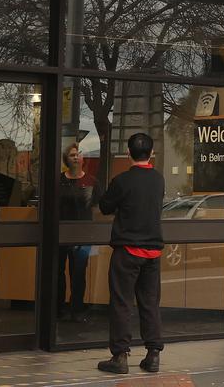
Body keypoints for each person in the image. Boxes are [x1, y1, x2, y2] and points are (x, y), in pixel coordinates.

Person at [96, 133, 164, 375]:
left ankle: (120, 356)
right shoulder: (158, 180)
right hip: (153, 253)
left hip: (127, 251)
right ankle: (153, 354)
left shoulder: (122, 181)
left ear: (128, 153)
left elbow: (105, 207)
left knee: (122, 302)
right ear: (151, 154)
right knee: (149, 303)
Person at [58, 143, 95, 322]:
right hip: (60, 234)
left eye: (78, 154)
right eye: (72, 154)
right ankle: (58, 308)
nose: (75, 156)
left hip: (82, 235)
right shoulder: (58, 180)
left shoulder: (90, 181)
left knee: (78, 273)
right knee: (57, 273)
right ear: (66, 159)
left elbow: (100, 206)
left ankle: (77, 310)